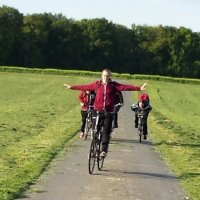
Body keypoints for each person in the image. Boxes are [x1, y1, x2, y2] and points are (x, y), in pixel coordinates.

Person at [64, 69, 147, 158]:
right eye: (104, 75)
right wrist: (72, 87)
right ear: (101, 75)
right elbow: (85, 87)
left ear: (110, 76)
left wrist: (138, 88)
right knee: (95, 130)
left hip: (108, 112)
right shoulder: (97, 84)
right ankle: (94, 148)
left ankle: (103, 150)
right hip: (97, 111)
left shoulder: (113, 85)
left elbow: (125, 87)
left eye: (107, 76)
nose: (106, 77)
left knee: (106, 132)